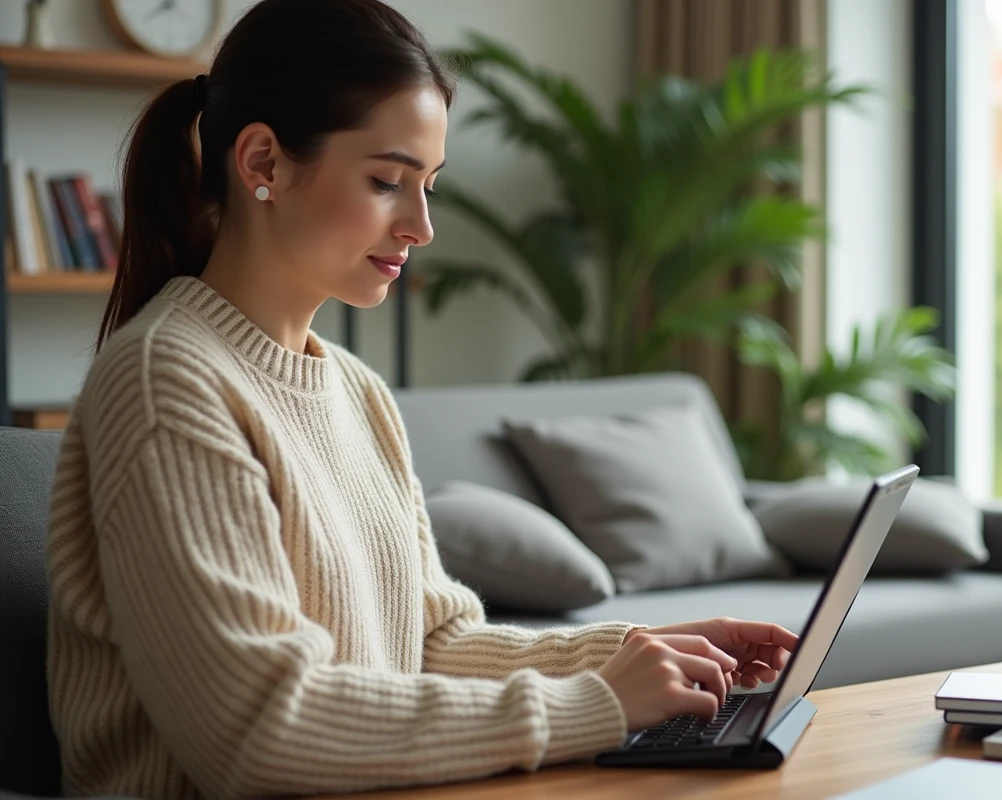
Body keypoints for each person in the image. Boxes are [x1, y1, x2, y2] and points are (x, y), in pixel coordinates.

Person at [44, 1, 799, 798]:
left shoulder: (358, 392)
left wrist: (633, 652)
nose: (422, 226)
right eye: (386, 181)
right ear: (262, 162)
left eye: (429, 185)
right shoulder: (167, 380)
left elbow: (431, 642)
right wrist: (596, 703)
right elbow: (258, 732)